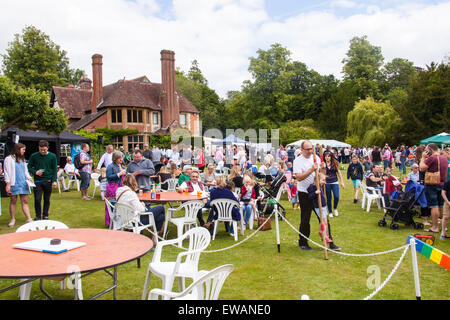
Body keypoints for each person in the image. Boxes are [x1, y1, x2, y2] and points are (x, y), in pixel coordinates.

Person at [293, 140, 340, 251]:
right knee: (305, 218)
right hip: (304, 192)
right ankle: (303, 242)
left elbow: (321, 174)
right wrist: (311, 169)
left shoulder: (316, 158)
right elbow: (298, 177)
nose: (310, 151)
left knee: (324, 217)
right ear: (302, 149)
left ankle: (329, 242)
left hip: (317, 191)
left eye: (311, 149)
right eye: (308, 149)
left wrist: (322, 168)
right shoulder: (298, 161)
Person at [115, 174, 165, 245]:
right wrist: (142, 204)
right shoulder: (131, 194)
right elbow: (141, 210)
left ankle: (155, 234)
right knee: (161, 208)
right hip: (135, 220)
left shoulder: (119, 191)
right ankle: (156, 234)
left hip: (124, 217)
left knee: (161, 216)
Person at [419, 143, 447, 234]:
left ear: (430, 149)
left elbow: (421, 168)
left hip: (432, 183)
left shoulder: (432, 158)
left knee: (433, 206)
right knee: (441, 205)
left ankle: (435, 227)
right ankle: (444, 226)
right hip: (442, 183)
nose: (426, 152)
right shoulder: (444, 158)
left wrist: (423, 157)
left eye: (427, 150)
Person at [3, 143, 33, 227]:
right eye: (23, 149)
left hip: (23, 183)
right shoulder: (8, 159)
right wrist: (8, 183)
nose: (24, 151)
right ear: (18, 149)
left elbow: (25, 171)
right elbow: (6, 172)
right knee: (13, 201)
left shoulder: (23, 159)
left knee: (25, 201)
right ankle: (12, 219)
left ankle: (29, 218)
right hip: (13, 183)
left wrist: (29, 177)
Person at [28, 140, 57, 220]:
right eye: (41, 150)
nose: (43, 151)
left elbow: (54, 169)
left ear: (47, 148)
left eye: (44, 150)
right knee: (37, 199)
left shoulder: (52, 156)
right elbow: (29, 167)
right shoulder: (34, 156)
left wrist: (54, 180)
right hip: (37, 181)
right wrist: (35, 172)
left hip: (48, 180)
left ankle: (45, 215)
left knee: (47, 199)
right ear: (38, 148)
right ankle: (38, 215)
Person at [307, 173, 333, 244]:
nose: (324, 182)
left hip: (324, 206)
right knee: (323, 221)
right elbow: (310, 196)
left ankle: (321, 232)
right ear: (317, 180)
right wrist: (315, 192)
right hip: (319, 207)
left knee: (325, 221)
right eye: (323, 180)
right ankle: (324, 236)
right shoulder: (313, 187)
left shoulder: (320, 186)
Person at [105, 151, 127, 227]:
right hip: (112, 187)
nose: (121, 159)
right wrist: (118, 174)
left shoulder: (122, 166)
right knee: (112, 204)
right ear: (115, 158)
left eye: (121, 158)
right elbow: (108, 176)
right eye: (119, 158)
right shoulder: (110, 166)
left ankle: (120, 221)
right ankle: (110, 221)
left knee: (121, 204)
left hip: (121, 187)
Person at [323, 151, 345, 218]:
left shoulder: (334, 163)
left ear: (331, 157)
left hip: (334, 182)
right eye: (326, 156)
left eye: (329, 156)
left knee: (336, 196)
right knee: (328, 198)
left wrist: (342, 182)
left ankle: (335, 208)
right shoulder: (323, 164)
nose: (327, 158)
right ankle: (330, 211)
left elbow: (339, 173)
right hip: (327, 183)